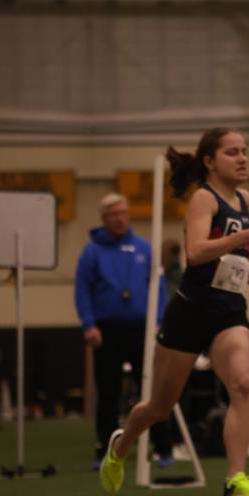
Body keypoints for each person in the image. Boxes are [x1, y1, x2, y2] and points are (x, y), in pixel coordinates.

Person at [98, 127, 249, 496]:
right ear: (209, 161)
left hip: (229, 310)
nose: (243, 158)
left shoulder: (244, 198)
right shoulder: (203, 199)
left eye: (244, 151)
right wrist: (244, 239)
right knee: (159, 408)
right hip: (190, 314)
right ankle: (121, 444)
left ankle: (235, 480)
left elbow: (240, 249)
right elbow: (195, 253)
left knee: (243, 385)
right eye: (232, 152)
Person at [75, 193, 171, 470]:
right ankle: (105, 450)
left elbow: (159, 287)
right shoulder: (92, 252)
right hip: (106, 331)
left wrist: (159, 320)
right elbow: (82, 290)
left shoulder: (144, 248)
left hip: (142, 330)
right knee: (108, 392)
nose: (119, 219)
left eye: (123, 213)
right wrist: (89, 324)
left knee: (152, 390)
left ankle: (163, 448)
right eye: (113, 214)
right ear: (104, 219)